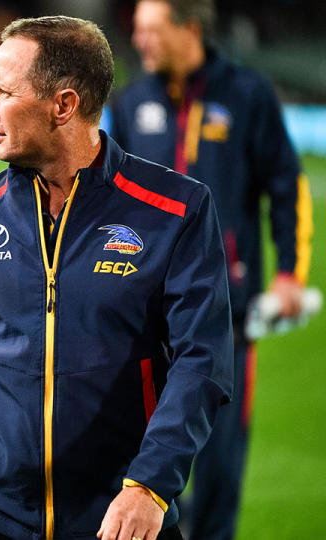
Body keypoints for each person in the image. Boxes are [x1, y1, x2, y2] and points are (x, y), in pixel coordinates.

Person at [0, 15, 234, 540]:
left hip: (119, 520)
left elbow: (201, 361)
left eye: (3, 92)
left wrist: (149, 487)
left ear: (63, 105)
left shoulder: (176, 210)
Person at [107, 2, 313, 538]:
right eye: (137, 31)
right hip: (143, 313)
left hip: (228, 311)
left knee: (219, 469)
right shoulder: (131, 102)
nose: (141, 41)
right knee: (136, 470)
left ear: (190, 29)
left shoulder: (248, 95)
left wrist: (289, 272)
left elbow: (287, 186)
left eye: (152, 30)